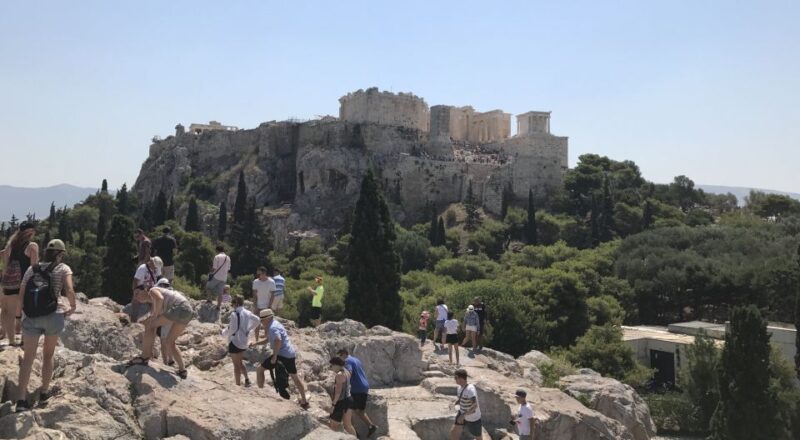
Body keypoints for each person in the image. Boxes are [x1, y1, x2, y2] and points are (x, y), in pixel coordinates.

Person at [15, 239, 76, 412]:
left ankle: (21, 400)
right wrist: (73, 306)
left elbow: (21, 294)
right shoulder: (63, 268)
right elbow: (69, 290)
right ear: (60, 254)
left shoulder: (32, 269)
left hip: (32, 317)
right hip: (53, 315)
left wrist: (19, 318)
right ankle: (44, 392)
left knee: (28, 359)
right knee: (48, 356)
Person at [126, 285, 195, 379]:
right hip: (188, 311)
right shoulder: (153, 302)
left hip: (180, 308)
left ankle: (144, 357)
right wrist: (152, 317)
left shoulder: (152, 290)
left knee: (150, 325)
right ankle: (182, 370)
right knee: (169, 342)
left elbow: (160, 299)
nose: (137, 296)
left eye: (138, 293)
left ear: (145, 290)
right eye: (135, 295)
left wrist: (154, 316)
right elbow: (157, 312)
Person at [253, 308, 309, 409]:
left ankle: (260, 394)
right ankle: (304, 401)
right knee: (295, 378)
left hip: (282, 355)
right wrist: (257, 343)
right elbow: (269, 340)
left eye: (262, 320)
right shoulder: (275, 323)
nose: (261, 322)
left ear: (267, 319)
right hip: (289, 353)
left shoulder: (272, 328)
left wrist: (274, 357)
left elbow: (278, 340)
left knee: (259, 369)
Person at [1, 221, 39, 346]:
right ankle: (23, 340)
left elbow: (4, 262)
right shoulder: (32, 246)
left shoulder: (11, 245)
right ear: (31, 231)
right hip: (24, 283)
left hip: (8, 284)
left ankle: (11, 341)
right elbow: (34, 267)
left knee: (8, 313)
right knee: (26, 312)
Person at [337, 349, 378, 437]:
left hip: (357, 389)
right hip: (364, 386)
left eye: (339, 356)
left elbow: (349, 373)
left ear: (344, 354)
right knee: (359, 411)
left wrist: (341, 380)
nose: (340, 359)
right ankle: (371, 426)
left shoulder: (347, 361)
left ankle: (354, 434)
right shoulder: (356, 359)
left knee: (347, 410)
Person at [221, 295, 259, 387]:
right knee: (240, 362)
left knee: (236, 365)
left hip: (234, 342)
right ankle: (247, 379)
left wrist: (223, 333)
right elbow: (257, 320)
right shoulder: (247, 312)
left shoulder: (234, 314)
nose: (232, 305)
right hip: (243, 342)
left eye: (232, 303)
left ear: (236, 303)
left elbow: (232, 329)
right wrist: (249, 330)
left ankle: (237, 385)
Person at [449, 369, 483, 440]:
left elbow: (474, 406)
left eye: (456, 378)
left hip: (473, 418)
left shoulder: (470, 390)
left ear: (461, 378)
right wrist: (455, 404)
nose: (454, 379)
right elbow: (460, 399)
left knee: (478, 438)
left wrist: (463, 416)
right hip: (462, 413)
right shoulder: (459, 388)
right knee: (453, 432)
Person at [328, 356, 357, 435]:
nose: (331, 368)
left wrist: (333, 405)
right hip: (349, 399)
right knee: (348, 425)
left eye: (332, 366)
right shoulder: (347, 371)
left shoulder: (339, 375)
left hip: (341, 402)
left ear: (336, 365)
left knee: (333, 425)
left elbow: (338, 392)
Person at [129, 257, 159, 323]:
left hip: (151, 290)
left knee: (154, 308)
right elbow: (135, 280)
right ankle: (133, 323)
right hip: (141, 289)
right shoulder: (143, 268)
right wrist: (135, 290)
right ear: (151, 263)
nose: (155, 268)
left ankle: (150, 323)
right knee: (135, 307)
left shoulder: (156, 269)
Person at [252, 266, 276, 340]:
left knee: (267, 325)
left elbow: (273, 295)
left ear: (265, 273)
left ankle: (266, 340)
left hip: (267, 306)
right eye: (258, 274)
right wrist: (255, 306)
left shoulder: (271, 282)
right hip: (258, 306)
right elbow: (254, 295)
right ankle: (256, 339)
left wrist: (269, 306)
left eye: (260, 274)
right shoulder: (256, 282)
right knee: (256, 324)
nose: (259, 275)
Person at [154, 278, 174, 366]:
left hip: (165, 319)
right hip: (174, 320)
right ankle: (171, 359)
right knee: (171, 341)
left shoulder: (162, 295)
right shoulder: (172, 293)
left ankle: (166, 362)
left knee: (163, 342)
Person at [206, 245, 230, 310]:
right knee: (220, 293)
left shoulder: (217, 257)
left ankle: (209, 300)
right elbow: (228, 269)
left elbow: (214, 268)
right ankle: (218, 306)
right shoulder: (228, 258)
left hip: (216, 276)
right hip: (224, 278)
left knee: (208, 287)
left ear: (217, 250)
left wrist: (210, 274)